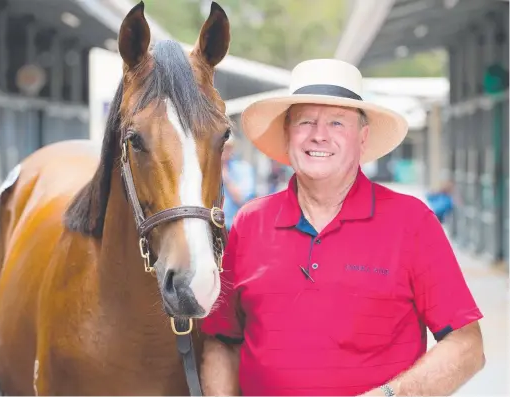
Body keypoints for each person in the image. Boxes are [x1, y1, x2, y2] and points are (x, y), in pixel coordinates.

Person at [200, 59, 485, 396]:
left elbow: (467, 346)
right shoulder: (250, 222)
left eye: (337, 122)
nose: (319, 135)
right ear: (287, 133)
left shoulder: (412, 222)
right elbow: (221, 341)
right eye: (306, 121)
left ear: (362, 139)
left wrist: (389, 395)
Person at [221, 135, 256, 229]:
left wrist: (225, 177)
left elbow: (242, 200)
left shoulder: (243, 169)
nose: (223, 150)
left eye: (227, 147)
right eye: (221, 147)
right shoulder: (208, 171)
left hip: (235, 227)